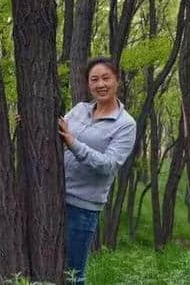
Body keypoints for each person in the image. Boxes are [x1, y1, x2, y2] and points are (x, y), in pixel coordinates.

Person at [58, 57, 136, 283]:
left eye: (106, 78)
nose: (100, 84)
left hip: (82, 208)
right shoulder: (80, 109)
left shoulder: (125, 124)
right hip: (53, 197)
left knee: (73, 275)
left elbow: (108, 166)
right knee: (48, 265)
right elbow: (58, 129)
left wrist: (73, 143)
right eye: (94, 79)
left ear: (117, 81)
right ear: (88, 84)